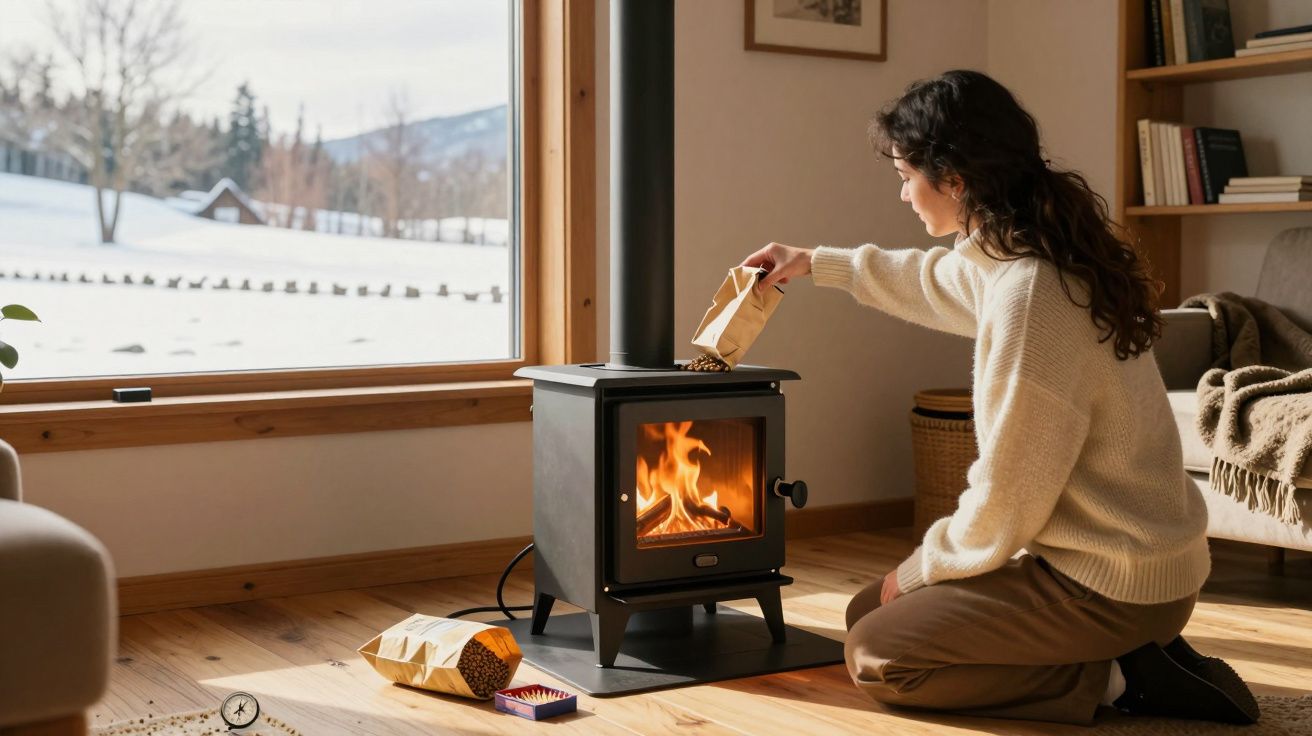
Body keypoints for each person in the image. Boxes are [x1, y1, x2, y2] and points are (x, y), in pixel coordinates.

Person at [740, 70, 1260, 727]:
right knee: (864, 615)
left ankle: (1122, 677)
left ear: (954, 178)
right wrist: (815, 260)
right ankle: (1133, 656)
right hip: (1125, 567)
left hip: (1110, 585)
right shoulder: (1023, 258)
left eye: (907, 176)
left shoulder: (1031, 296)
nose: (903, 194)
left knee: (879, 655)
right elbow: (933, 280)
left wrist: (923, 569)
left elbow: (1007, 498)